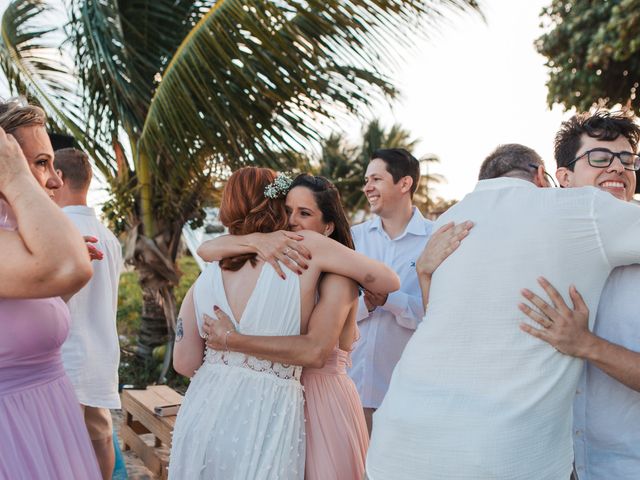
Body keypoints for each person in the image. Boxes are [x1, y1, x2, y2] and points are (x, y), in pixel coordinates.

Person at [367, 142, 640, 480]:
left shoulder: (450, 222)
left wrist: (424, 273)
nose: (615, 168)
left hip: (396, 442)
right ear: (545, 177)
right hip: (499, 454)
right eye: (599, 159)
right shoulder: (580, 208)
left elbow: (444, 325)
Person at [168, 167, 399, 480]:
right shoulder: (271, 252)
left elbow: (185, 362)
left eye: (304, 212)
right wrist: (257, 240)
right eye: (288, 210)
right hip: (270, 406)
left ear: (329, 226)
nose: (292, 221)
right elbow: (206, 249)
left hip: (261, 403)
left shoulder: (223, 267)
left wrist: (232, 346)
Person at [518, 111, 640, 480]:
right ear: (564, 177)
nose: (618, 168)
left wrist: (585, 344)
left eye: (628, 160)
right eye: (600, 158)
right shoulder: (532, 247)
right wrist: (427, 272)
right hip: (551, 466)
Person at [0, 99, 100, 478]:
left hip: (50, 428)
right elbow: (67, 265)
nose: (55, 180)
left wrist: (57, 292)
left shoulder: (14, 238)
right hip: (11, 439)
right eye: (42, 163)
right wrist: (14, 177)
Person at [349, 148, 433, 433]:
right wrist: (367, 305)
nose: (367, 187)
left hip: (405, 399)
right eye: (366, 179)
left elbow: (439, 316)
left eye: (376, 179)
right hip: (349, 393)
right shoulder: (353, 239)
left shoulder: (435, 240)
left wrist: (391, 300)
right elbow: (331, 309)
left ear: (404, 183)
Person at [54, 148, 123, 480]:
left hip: (66, 352)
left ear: (60, 178)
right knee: (100, 434)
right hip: (103, 351)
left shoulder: (55, 229)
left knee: (59, 447)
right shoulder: (110, 237)